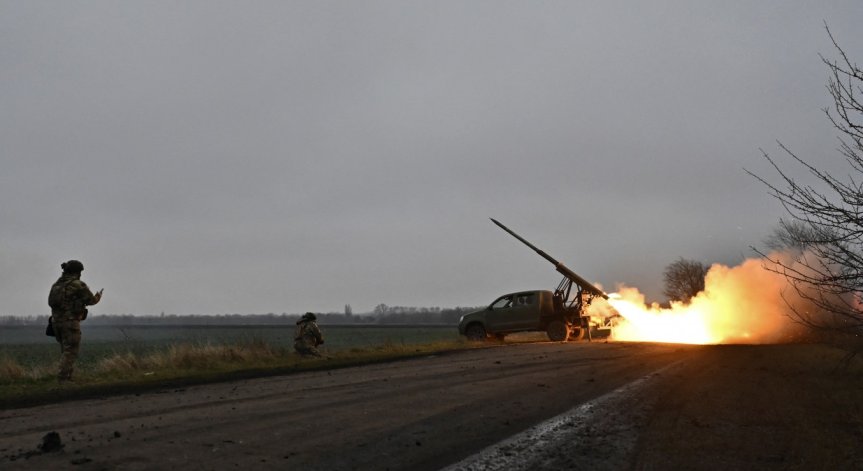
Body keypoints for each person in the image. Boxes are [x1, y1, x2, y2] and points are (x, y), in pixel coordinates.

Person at [48, 260, 103, 382]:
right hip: (70, 322)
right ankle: (63, 379)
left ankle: (68, 377)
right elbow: (91, 300)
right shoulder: (78, 284)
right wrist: (99, 295)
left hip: (56, 323)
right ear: (77, 272)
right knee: (71, 350)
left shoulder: (56, 285)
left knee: (65, 350)